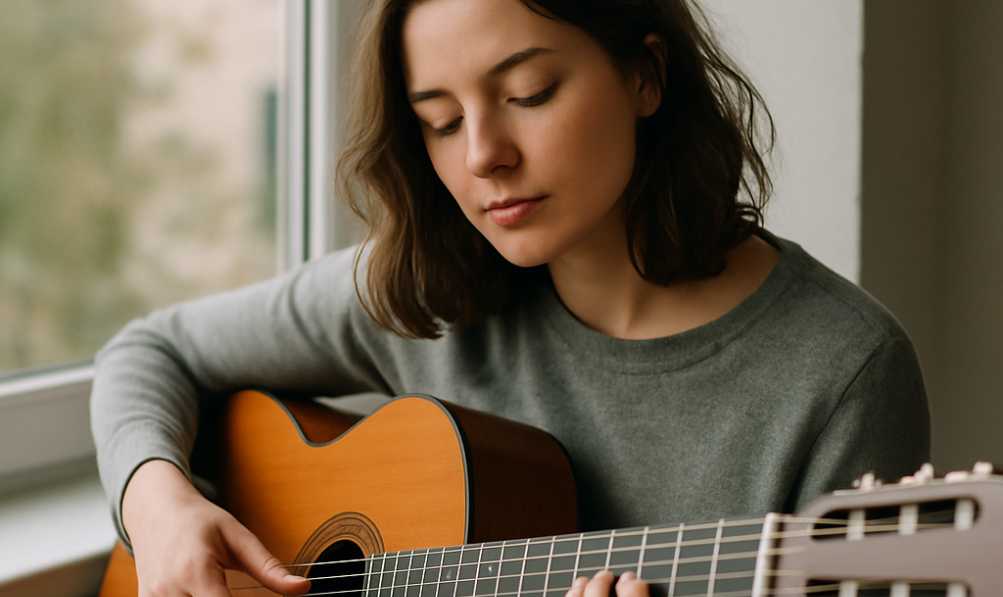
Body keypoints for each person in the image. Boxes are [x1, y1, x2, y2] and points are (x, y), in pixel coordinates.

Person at [90, 1, 931, 596]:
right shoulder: (422, 287)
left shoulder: (840, 370)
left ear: (644, 75)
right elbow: (149, 350)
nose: (483, 156)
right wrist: (158, 504)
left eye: (528, 94)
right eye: (439, 121)